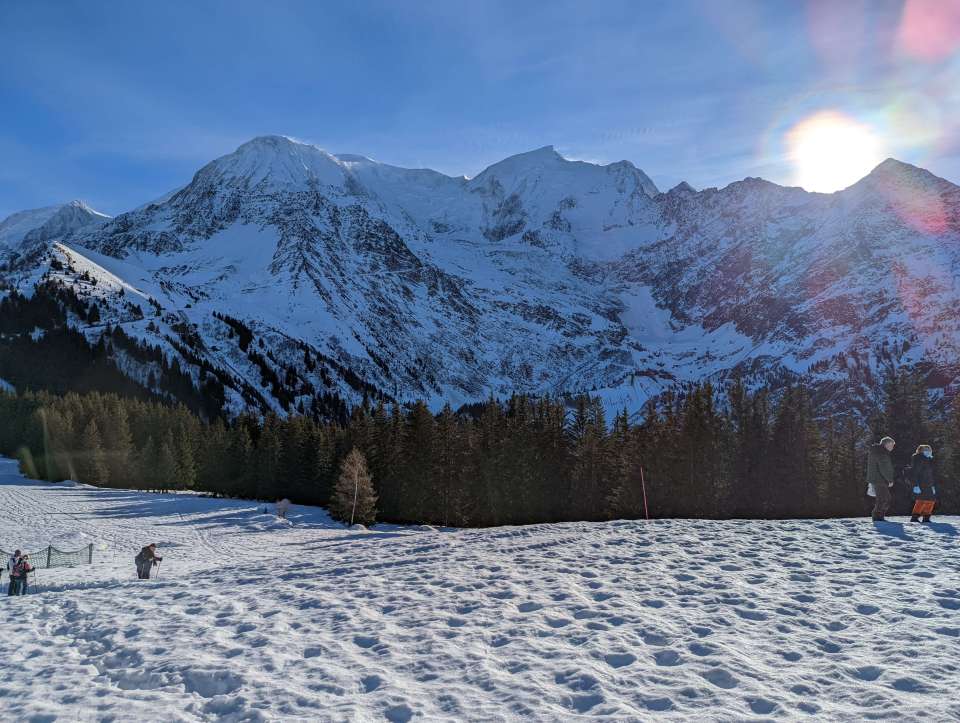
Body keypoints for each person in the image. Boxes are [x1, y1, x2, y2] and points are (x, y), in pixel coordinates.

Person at [867, 436, 896, 522]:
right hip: (880, 479)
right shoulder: (881, 453)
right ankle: (877, 516)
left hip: (877, 478)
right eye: (891, 445)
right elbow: (884, 468)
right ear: (886, 444)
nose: (892, 447)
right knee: (884, 499)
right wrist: (890, 480)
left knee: (884, 498)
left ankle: (879, 516)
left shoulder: (878, 451)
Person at [908, 444, 937, 523]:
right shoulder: (918, 459)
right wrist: (915, 485)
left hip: (929, 484)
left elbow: (931, 474)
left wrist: (933, 485)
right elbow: (914, 473)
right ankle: (915, 517)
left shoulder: (928, 460)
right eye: (926, 450)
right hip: (921, 484)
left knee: (931, 500)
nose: (929, 452)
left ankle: (926, 517)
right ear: (921, 451)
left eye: (929, 450)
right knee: (921, 500)